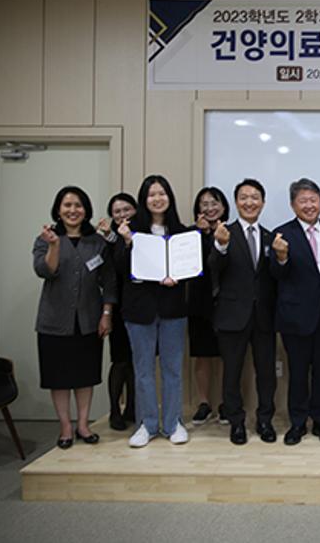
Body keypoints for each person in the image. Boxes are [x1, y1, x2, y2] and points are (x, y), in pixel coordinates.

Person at [32, 186, 115, 448]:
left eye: (78, 205)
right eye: (67, 205)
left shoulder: (97, 242)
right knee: (58, 378)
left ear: (86, 210)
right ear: (58, 210)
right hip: (54, 321)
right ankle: (66, 427)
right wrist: (54, 245)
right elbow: (45, 271)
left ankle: (83, 424)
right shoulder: (46, 239)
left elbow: (109, 281)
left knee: (85, 376)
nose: (72, 210)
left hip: (89, 320)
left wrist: (106, 314)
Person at [115, 175, 192, 448]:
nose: (157, 199)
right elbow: (120, 269)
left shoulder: (182, 232)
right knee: (143, 370)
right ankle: (146, 425)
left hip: (173, 309)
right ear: (143, 200)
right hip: (139, 311)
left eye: (162, 193)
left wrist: (177, 277)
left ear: (169, 197)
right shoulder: (130, 230)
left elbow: (191, 268)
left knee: (172, 369)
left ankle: (173, 423)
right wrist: (127, 242)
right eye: (151, 194)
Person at [270, 178, 320, 446]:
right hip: (295, 317)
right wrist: (281, 257)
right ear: (293, 205)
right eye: (303, 200)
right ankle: (298, 423)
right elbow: (274, 275)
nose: (309, 205)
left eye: (313, 200)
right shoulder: (281, 235)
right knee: (298, 373)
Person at [210, 179, 278, 445]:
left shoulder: (272, 237)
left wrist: (282, 258)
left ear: (263, 202)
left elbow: (274, 277)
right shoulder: (224, 233)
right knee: (232, 373)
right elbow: (213, 268)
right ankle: (236, 422)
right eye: (244, 197)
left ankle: (265, 420)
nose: (250, 202)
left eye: (255, 197)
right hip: (232, 315)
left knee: (267, 373)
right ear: (236, 202)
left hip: (264, 317)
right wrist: (221, 246)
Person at [188, 186, 230, 426]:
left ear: (223, 207)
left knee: (226, 355)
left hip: (226, 303)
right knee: (202, 355)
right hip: (199, 303)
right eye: (204, 204)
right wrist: (200, 234)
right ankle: (204, 403)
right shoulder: (190, 234)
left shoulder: (231, 232)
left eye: (214, 203)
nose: (210, 208)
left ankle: (225, 402)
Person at [96, 192, 137, 431]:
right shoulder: (108, 240)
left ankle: (132, 407)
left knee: (136, 362)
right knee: (120, 360)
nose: (122, 214)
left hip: (140, 307)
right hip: (118, 307)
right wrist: (107, 313)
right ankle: (114, 410)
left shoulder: (141, 233)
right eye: (117, 211)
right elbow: (109, 273)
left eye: (127, 209)